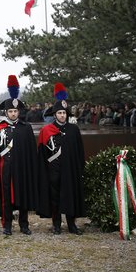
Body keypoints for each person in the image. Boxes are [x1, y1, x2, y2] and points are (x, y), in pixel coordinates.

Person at [0, 75, 38, 235]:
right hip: (6, 168)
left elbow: (31, 152)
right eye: (11, 111)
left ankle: (24, 224)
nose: (14, 113)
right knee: (6, 197)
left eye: (16, 111)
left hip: (22, 168)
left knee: (22, 195)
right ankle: (7, 224)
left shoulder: (26, 128)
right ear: (6, 112)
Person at [37, 83, 86, 235]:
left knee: (70, 196)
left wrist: (79, 168)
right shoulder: (47, 130)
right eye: (59, 113)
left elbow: (79, 151)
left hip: (70, 170)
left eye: (64, 113)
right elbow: (42, 153)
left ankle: (72, 225)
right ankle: (56, 224)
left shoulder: (74, 130)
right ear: (54, 115)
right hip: (54, 170)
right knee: (55, 197)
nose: (62, 115)